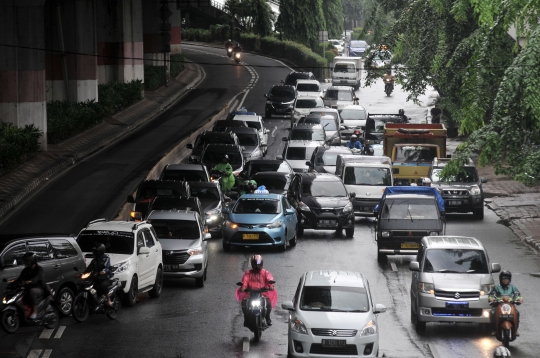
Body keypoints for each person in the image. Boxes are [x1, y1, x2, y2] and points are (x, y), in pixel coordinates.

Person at [238, 255, 276, 326]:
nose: (257, 266)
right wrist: (243, 287)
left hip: (262, 292)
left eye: (258, 264)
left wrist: (271, 285)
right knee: (244, 303)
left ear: (261, 264)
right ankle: (246, 318)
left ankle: (267, 317)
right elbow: (245, 281)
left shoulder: (265, 272)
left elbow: (269, 279)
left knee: (268, 303)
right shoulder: (248, 273)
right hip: (250, 292)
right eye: (255, 264)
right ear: (252, 264)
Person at [12, 252, 47, 319]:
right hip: (27, 288)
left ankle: (35, 312)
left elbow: (37, 277)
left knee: (32, 291)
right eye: (25, 261)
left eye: (27, 261)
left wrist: (30, 281)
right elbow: (20, 279)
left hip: (39, 289)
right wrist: (12, 284)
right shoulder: (25, 270)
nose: (26, 262)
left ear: (32, 260)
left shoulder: (39, 269)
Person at [489, 270, 523, 336]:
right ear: (500, 279)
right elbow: (491, 295)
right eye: (503, 279)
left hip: (510, 306)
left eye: (507, 279)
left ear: (509, 279)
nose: (505, 280)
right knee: (492, 312)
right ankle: (494, 329)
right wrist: (492, 299)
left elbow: (518, 295)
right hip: (499, 305)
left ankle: (515, 329)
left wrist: (519, 299)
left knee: (517, 313)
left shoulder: (513, 288)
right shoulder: (496, 287)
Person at [84, 243, 114, 308]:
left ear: (101, 251)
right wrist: (82, 274)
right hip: (98, 277)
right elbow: (89, 268)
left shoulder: (106, 258)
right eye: (94, 251)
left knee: (103, 285)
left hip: (107, 277)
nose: (94, 253)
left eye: (96, 251)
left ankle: (109, 300)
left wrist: (103, 271)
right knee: (90, 285)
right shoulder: (94, 260)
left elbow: (107, 267)